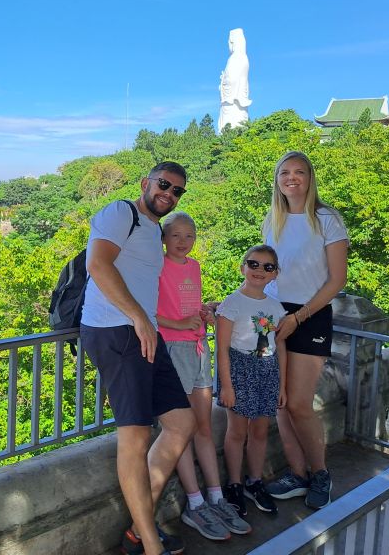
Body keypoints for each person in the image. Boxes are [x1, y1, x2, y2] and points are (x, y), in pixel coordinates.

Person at [81, 162, 197, 555]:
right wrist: (136, 318)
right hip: (116, 331)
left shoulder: (152, 229)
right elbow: (97, 264)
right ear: (146, 183)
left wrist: (156, 320)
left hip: (143, 331)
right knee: (135, 437)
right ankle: (150, 545)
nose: (169, 193)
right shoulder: (120, 212)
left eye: (178, 190)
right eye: (164, 185)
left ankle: (137, 528)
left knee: (182, 423)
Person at [156, 212, 252, 542]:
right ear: (164, 238)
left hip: (198, 349)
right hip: (172, 351)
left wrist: (203, 313)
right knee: (179, 430)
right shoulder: (156, 266)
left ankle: (216, 498)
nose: (183, 242)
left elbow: (188, 306)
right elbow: (146, 311)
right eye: (176, 235)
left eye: (190, 235)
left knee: (204, 427)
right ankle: (194, 504)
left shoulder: (194, 267)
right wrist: (178, 325)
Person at [262, 151, 348, 510]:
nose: (291, 178)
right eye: (285, 172)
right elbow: (264, 272)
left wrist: (299, 317)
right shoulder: (273, 219)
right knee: (280, 402)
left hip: (310, 315)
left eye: (299, 172)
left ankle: (320, 473)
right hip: (273, 315)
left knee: (298, 404)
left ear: (310, 178)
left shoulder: (327, 219)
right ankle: (297, 475)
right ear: (277, 180)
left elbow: (337, 280)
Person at [216, 245, 288, 519]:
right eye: (254, 264)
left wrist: (281, 386)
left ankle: (254, 481)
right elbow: (222, 349)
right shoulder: (231, 303)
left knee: (259, 431)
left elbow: (279, 347)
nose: (260, 270)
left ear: (275, 274)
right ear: (243, 267)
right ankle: (234, 484)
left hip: (267, 371)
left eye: (268, 267)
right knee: (237, 432)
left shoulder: (274, 307)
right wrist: (227, 387)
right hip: (240, 370)